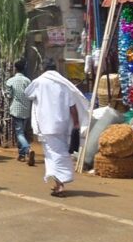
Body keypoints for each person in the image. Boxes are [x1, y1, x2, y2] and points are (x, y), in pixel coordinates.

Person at [25, 59, 89, 197]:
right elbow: (72, 106)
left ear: (43, 69)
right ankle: (58, 182)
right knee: (58, 152)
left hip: (46, 125)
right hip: (62, 125)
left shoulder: (39, 82)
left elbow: (27, 93)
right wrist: (76, 123)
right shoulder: (64, 84)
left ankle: (60, 185)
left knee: (54, 155)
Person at [4, 60, 34, 165]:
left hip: (16, 110)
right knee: (22, 132)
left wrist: (7, 94)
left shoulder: (10, 81)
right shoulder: (28, 81)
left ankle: (27, 149)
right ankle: (21, 155)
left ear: (15, 69)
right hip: (26, 110)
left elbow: (9, 95)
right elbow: (31, 94)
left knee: (19, 133)